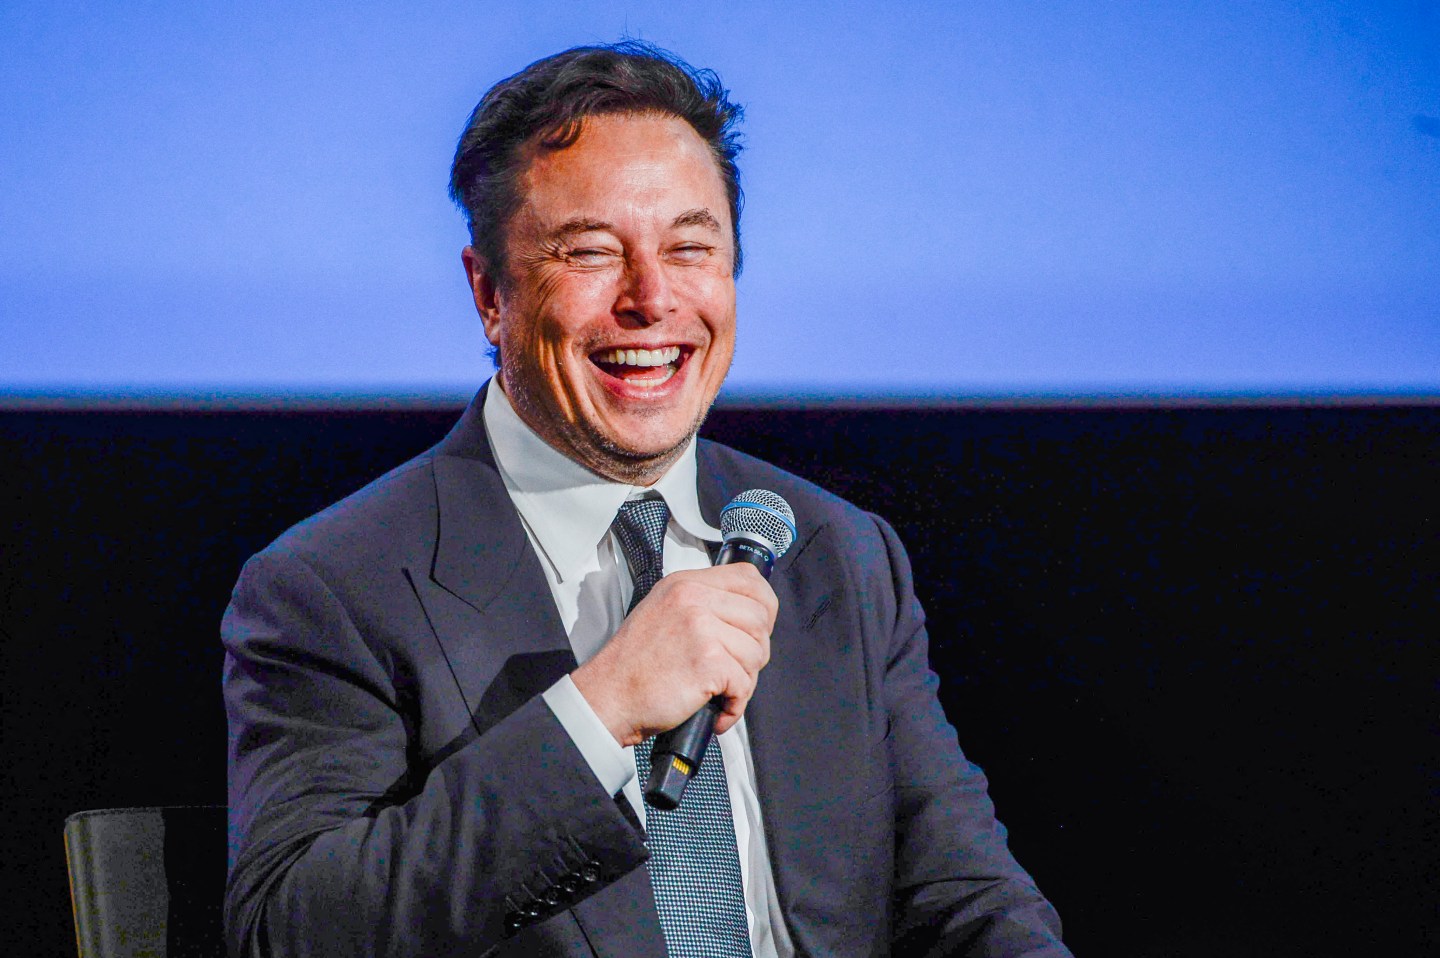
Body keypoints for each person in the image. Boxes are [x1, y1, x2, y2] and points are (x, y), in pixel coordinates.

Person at [222, 41, 1071, 958]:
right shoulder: (334, 586)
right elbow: (289, 931)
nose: (653, 298)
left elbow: (968, 900)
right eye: (591, 252)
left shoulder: (838, 551)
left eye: (690, 248)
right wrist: (600, 709)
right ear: (490, 294)